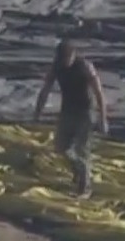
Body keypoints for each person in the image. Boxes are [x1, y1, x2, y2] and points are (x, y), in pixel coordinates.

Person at [33, 39, 108, 199]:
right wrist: (37, 113)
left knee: (82, 150)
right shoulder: (57, 67)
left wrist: (103, 118)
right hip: (67, 111)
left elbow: (99, 92)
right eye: (62, 60)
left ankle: (85, 187)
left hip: (85, 112)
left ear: (74, 55)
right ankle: (78, 171)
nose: (65, 63)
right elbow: (45, 90)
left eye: (67, 59)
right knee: (61, 147)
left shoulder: (85, 67)